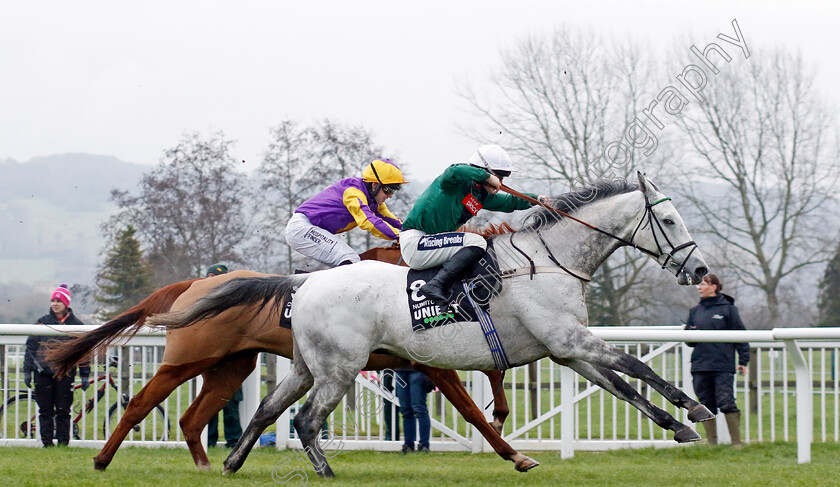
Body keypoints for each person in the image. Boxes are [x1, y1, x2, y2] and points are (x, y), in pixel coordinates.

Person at [399, 144, 546, 309]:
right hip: (416, 242)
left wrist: (537, 199)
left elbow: (511, 202)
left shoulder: (480, 196)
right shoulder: (453, 182)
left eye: (503, 178)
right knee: (476, 242)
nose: (500, 182)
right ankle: (436, 284)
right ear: (484, 171)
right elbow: (454, 170)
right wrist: (486, 176)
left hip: (431, 244)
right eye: (498, 176)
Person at [284, 158, 408, 268]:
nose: (390, 195)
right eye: (388, 189)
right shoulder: (354, 193)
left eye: (394, 190)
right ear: (374, 185)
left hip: (309, 228)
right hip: (300, 229)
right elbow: (368, 222)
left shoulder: (373, 200)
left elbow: (393, 221)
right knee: (350, 259)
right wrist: (400, 236)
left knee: (346, 261)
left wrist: (411, 233)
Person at [685, 274, 750, 446]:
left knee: (726, 402)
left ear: (714, 287)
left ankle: (737, 443)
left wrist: (744, 360)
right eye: (698, 285)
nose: (699, 287)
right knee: (705, 405)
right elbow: (689, 341)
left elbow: (740, 335)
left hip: (723, 365)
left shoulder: (729, 309)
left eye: (703, 284)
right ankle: (712, 444)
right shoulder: (695, 311)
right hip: (700, 365)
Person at [24, 284, 91, 447]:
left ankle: (63, 443)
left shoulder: (77, 324)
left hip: (65, 374)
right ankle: (47, 444)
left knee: (63, 411)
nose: (55, 304)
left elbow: (83, 352)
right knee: (45, 411)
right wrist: (27, 371)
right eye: (53, 300)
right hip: (43, 374)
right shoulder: (42, 322)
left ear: (66, 304)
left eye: (58, 301)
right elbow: (31, 348)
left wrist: (84, 375)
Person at [203, 264, 243, 447]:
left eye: (215, 277)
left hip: (231, 358)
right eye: (210, 276)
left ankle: (234, 441)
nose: (212, 280)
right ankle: (208, 440)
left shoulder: (235, 300)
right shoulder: (202, 300)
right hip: (210, 358)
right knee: (209, 401)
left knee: (231, 403)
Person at [395, 366, 435, 453]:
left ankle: (424, 445)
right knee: (406, 410)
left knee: (419, 409)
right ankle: (409, 445)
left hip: (418, 369)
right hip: (400, 370)